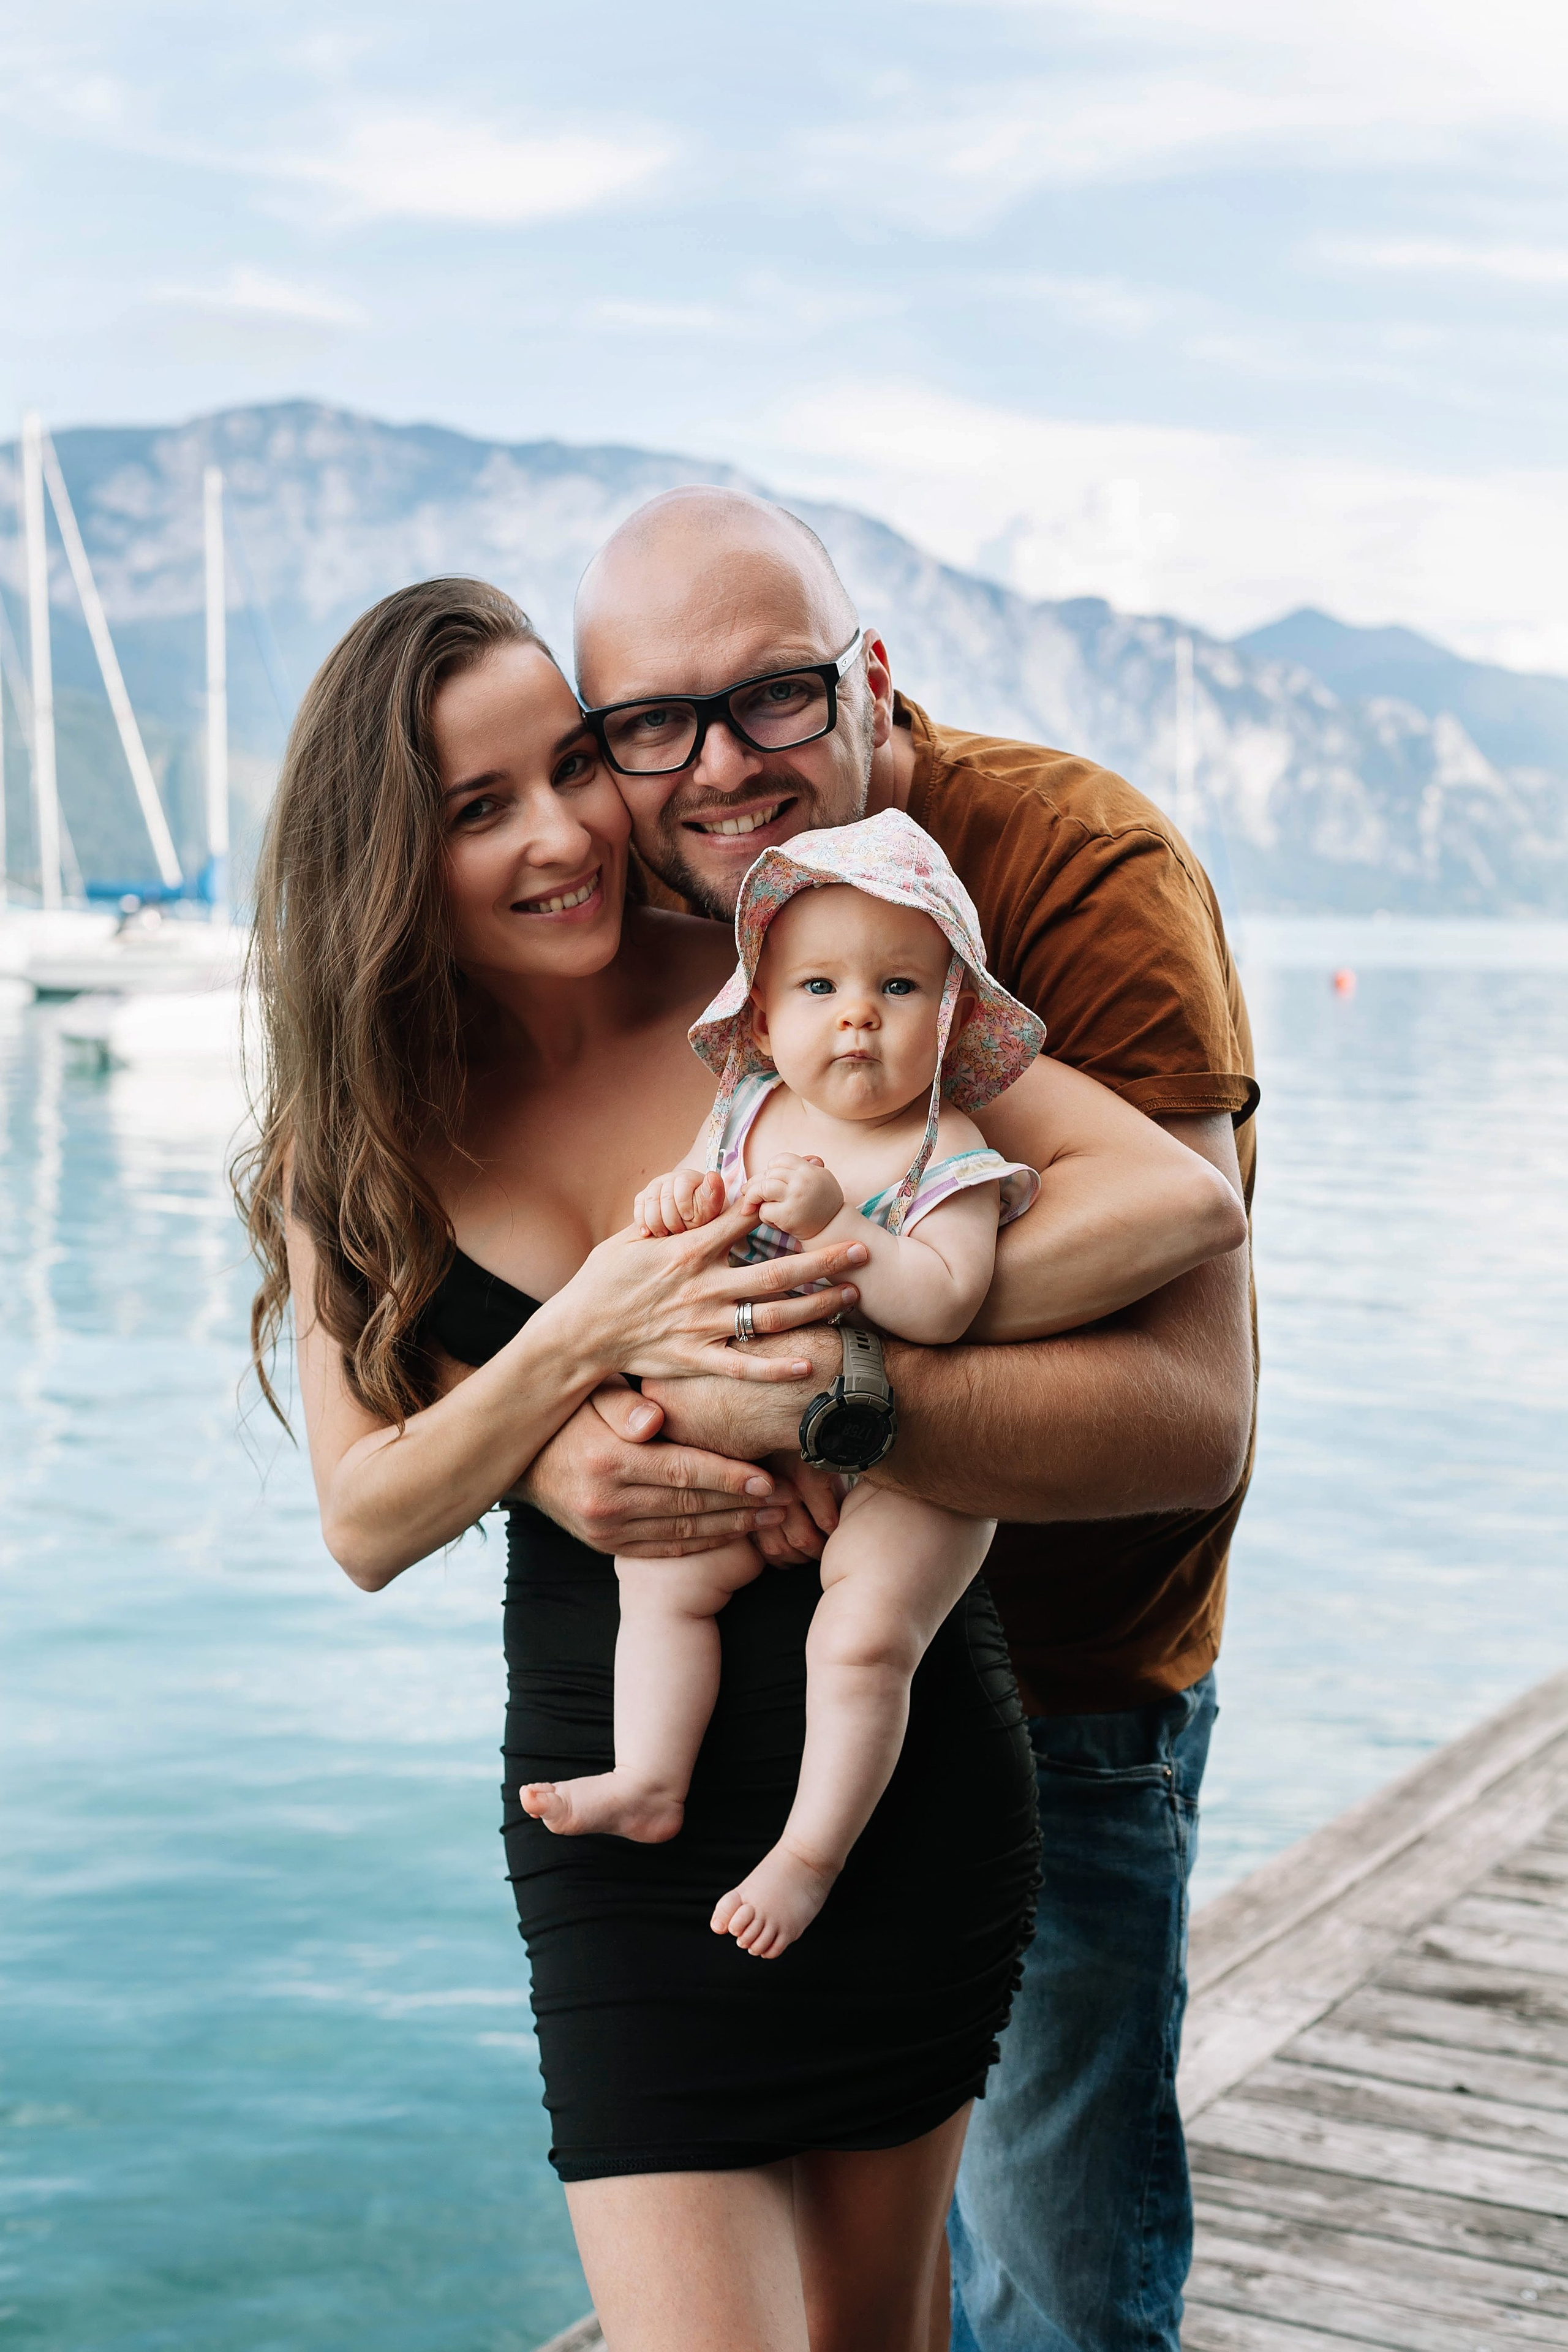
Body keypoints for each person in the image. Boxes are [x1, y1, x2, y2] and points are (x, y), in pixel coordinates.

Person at [238, 576, 1246, 2352]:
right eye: (480, 809)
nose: (561, 835)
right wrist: (570, 1372)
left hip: (905, 1770)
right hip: (618, 1800)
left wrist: (844, 1354)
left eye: (568, 768)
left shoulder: (775, 988)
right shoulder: (367, 1116)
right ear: (389, 851)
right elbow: (366, 1515)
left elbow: (1166, 1205)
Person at [556, 488, 1259, 2352]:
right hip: (759, 1679)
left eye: (772, 697)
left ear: (867, 674)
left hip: (1063, 1689)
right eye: (651, 724)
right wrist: (568, 1435)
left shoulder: (1071, 868)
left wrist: (820, 1364)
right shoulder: (644, 886)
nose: (716, 768)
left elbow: (1195, 1417)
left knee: (1047, 2279)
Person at [522, 812, 1050, 1960]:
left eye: (899, 984)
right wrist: (668, 1206)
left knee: (865, 1638)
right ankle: (651, 1775)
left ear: (949, 1012)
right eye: (820, 985)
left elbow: (949, 1304)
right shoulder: (746, 1114)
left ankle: (809, 1855)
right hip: (760, 1441)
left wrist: (847, 1225)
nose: (858, 1012)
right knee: (660, 1574)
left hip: (916, 1473)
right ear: (764, 1017)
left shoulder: (947, 1152)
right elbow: (688, 1222)